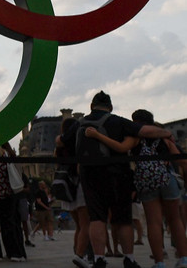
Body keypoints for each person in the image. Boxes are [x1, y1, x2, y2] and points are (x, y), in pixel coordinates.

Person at [56, 90, 173, 268]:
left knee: (97, 218)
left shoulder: (80, 123)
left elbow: (61, 141)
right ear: (110, 107)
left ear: (91, 106)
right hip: (117, 174)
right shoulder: (117, 121)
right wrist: (165, 133)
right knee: (123, 219)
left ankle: (99, 258)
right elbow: (145, 131)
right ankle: (129, 258)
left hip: (89, 174)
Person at [84, 108, 187, 268]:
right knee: (175, 220)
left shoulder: (135, 137)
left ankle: (159, 262)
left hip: (146, 181)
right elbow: (182, 162)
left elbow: (120, 148)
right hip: (168, 180)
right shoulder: (165, 137)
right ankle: (183, 259)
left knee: (154, 223)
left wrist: (98, 136)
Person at [55, 117, 90, 268]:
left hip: (67, 187)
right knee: (86, 225)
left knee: (79, 226)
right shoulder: (79, 142)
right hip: (79, 184)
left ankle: (78, 252)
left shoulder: (59, 145)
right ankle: (80, 255)